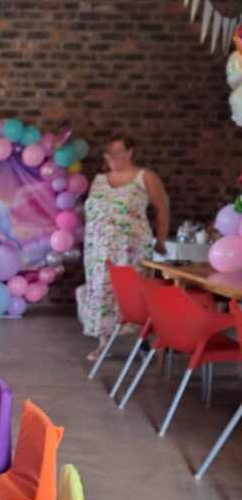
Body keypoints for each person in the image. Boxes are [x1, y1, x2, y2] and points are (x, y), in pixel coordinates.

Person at [76, 134, 169, 362]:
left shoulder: (144, 177)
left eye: (118, 151)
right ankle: (103, 343)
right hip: (98, 251)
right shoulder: (98, 180)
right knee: (101, 294)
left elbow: (162, 207)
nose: (112, 157)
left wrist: (161, 240)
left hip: (130, 248)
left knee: (133, 294)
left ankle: (143, 341)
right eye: (109, 153)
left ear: (130, 152)